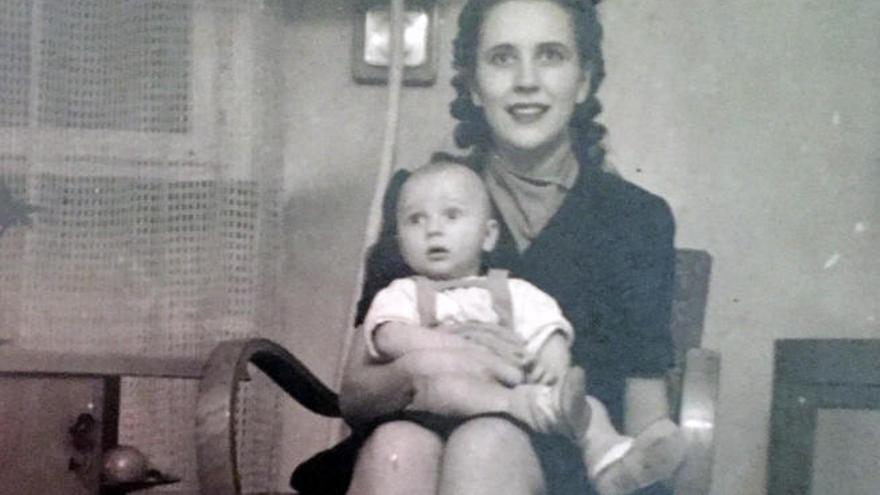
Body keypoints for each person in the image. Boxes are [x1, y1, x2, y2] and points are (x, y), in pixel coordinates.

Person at [292, 1, 678, 494]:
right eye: (501, 58)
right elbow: (358, 396)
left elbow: (645, 398)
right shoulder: (422, 200)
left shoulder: (635, 218)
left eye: (551, 55)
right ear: (473, 85)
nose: (526, 80)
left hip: (565, 459)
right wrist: (425, 363)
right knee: (399, 446)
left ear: (583, 80)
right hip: (413, 443)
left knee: (485, 444)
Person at [361, 158, 684, 495]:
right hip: (440, 403)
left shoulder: (511, 289)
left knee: (583, 405)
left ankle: (609, 458)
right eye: (416, 220)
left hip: (513, 407)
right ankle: (538, 411)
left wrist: (552, 352)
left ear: (488, 236)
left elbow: (546, 322)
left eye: (452, 216)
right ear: (400, 244)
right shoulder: (405, 292)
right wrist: (452, 350)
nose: (434, 230)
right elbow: (387, 335)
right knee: (445, 399)